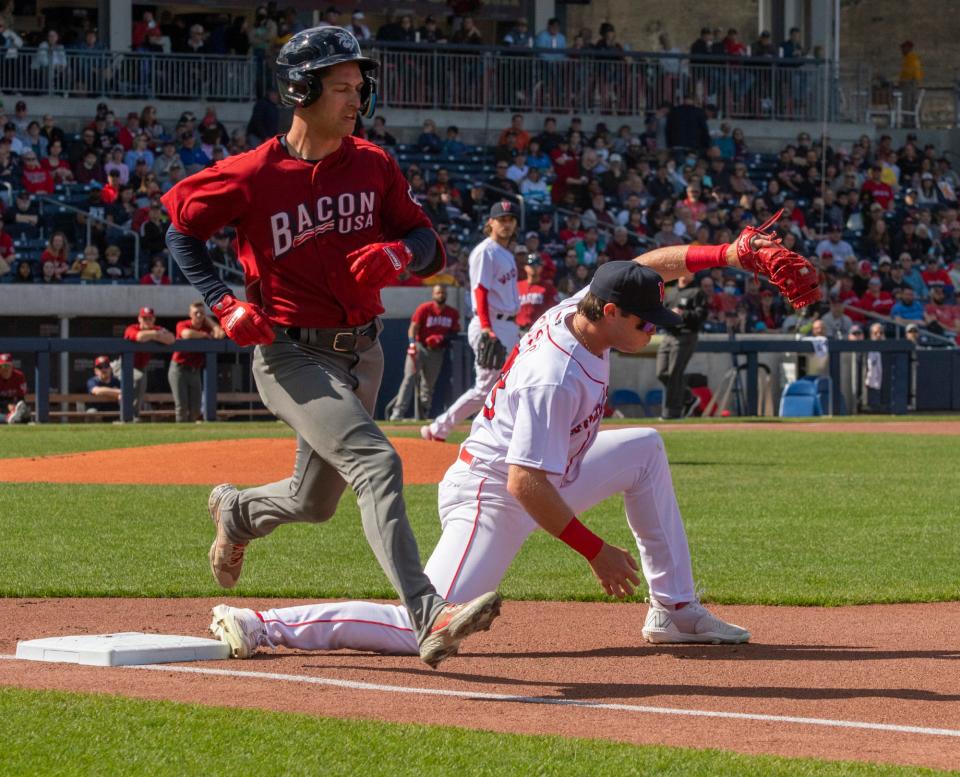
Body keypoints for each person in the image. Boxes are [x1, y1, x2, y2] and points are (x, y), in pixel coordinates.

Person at [207, 261, 750, 662]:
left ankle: (675, 610)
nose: (652, 329)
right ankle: (261, 624)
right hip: (493, 493)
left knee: (645, 449)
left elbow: (648, 265)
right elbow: (524, 483)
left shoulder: (584, 307)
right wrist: (595, 550)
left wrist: (725, 252)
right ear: (609, 312)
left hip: (550, 472)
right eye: (645, 321)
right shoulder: (553, 378)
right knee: (420, 625)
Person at [162, 26, 501, 669]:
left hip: (363, 350)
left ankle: (236, 511)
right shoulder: (255, 173)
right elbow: (180, 227)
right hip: (289, 351)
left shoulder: (372, 164)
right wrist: (223, 300)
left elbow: (428, 241)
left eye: (358, 86)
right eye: (341, 86)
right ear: (300, 89)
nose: (355, 98)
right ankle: (429, 614)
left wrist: (404, 252)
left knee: (314, 502)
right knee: (377, 462)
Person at [421, 200, 520, 442]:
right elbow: (480, 291)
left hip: (507, 324)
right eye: (501, 220)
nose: (506, 224)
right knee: (485, 388)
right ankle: (438, 428)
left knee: (513, 383)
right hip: (491, 324)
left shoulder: (505, 252)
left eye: (510, 219)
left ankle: (497, 433)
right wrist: (487, 328)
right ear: (490, 223)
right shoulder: (486, 251)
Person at [388, 285, 460, 422]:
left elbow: (455, 333)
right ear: (433, 294)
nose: (441, 295)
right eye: (438, 292)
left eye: (443, 292)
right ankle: (397, 414)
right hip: (420, 347)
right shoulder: (425, 308)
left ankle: (423, 414)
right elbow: (413, 328)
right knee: (409, 379)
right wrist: (412, 344)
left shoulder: (452, 313)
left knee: (428, 385)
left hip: (437, 351)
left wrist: (441, 338)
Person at [657, 272, 709, 419]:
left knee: (675, 374)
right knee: (662, 373)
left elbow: (701, 315)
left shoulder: (697, 292)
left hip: (686, 334)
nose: (686, 273)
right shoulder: (671, 291)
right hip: (668, 335)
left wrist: (682, 313)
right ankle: (688, 398)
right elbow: (661, 311)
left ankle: (671, 413)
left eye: (690, 271)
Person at [169, 301, 225, 423]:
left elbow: (220, 334)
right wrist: (205, 335)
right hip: (178, 369)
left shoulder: (206, 325)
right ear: (190, 314)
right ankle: (180, 436)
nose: (199, 315)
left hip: (194, 370)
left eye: (202, 313)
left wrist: (210, 320)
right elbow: (186, 334)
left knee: (196, 408)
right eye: (196, 313)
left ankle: (191, 436)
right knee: (181, 406)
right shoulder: (183, 324)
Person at [122, 306, 175, 416]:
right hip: (124, 365)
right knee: (135, 383)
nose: (147, 321)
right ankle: (127, 416)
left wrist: (151, 335)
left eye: (150, 318)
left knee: (140, 390)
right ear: (139, 319)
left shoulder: (156, 328)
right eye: (144, 318)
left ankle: (133, 416)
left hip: (141, 366)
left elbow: (171, 339)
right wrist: (156, 335)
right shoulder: (132, 328)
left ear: (154, 319)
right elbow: (140, 337)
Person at [515, 254, 558, 332]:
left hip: (539, 329)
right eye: (531, 264)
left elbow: (554, 310)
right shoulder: (517, 286)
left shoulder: (548, 287)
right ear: (525, 266)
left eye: (537, 264)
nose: (534, 267)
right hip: (518, 329)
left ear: (541, 267)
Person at [0, 353, 29, 424]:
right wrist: (7, 405)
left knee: (24, 414)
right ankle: (9, 419)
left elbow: (21, 397)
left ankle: (15, 418)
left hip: (14, 406)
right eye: (2, 366)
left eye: (8, 366)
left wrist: (16, 406)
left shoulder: (19, 376)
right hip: (2, 406)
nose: (5, 369)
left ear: (12, 366)